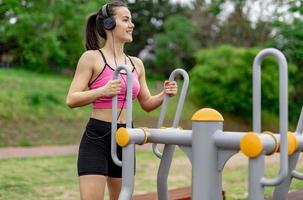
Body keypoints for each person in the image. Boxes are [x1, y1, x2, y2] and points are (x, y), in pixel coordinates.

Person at [66, 1, 178, 199]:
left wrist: (164, 94)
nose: (131, 24)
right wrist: (103, 91)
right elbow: (72, 99)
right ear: (109, 24)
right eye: (125, 19)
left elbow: (146, 104)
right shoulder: (91, 58)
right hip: (97, 137)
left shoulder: (136, 64)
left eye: (131, 20)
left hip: (126, 137)